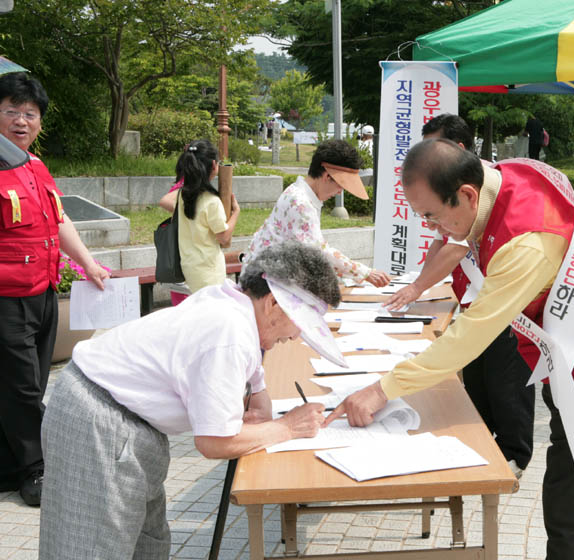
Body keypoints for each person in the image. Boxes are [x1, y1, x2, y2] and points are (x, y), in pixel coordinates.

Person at [328, 139, 574, 560]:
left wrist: (383, 389)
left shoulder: (527, 239)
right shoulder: (496, 182)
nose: (432, 228)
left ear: (465, 194)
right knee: (569, 499)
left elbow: (472, 335)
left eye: (432, 216)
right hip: (571, 365)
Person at [38, 241, 341, 560]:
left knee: (146, 554)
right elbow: (215, 442)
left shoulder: (232, 303)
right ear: (273, 302)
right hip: (100, 420)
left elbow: (252, 367)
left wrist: (259, 395)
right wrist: (287, 428)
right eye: (298, 324)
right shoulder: (227, 332)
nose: (295, 336)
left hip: (126, 422)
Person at [383, 113, 535, 477]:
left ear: (458, 148)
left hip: (506, 305)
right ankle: (485, 443)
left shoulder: (479, 191)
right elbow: (442, 240)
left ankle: (513, 455)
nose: (432, 224)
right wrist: (418, 283)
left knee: (506, 381)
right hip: (474, 299)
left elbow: (454, 246)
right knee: (480, 379)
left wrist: (417, 288)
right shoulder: (450, 193)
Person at [0, 72, 109, 507]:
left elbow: (58, 220)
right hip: (6, 298)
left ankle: (9, 468)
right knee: (24, 388)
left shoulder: (35, 167)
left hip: (43, 291)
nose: (21, 121)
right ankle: (38, 470)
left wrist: (88, 264)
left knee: (28, 382)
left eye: (30, 113)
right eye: (11, 111)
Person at [246, 138, 390, 286]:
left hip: (266, 275)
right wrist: (365, 272)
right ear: (327, 176)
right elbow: (318, 253)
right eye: (341, 186)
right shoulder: (301, 203)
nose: (340, 192)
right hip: (264, 284)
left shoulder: (297, 192)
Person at [159, 140, 240, 293]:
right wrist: (236, 213)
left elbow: (164, 200)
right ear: (214, 165)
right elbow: (223, 238)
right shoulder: (211, 201)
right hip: (209, 272)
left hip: (190, 269)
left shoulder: (182, 195)